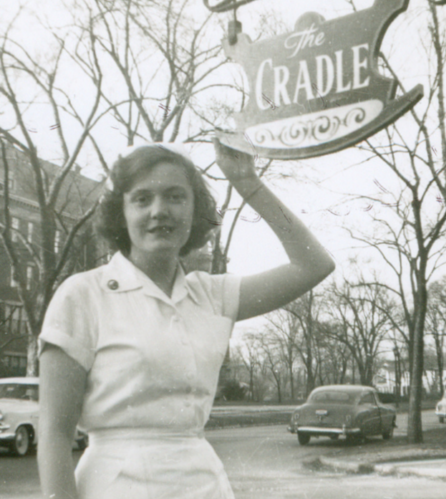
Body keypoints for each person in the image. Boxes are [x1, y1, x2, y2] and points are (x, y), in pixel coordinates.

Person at [36, 141, 335, 499]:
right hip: (114, 485)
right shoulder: (83, 294)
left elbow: (313, 264)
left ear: (195, 212)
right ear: (122, 213)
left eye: (176, 197)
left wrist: (247, 182)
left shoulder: (212, 295)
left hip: (203, 484)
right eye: (142, 199)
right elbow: (54, 433)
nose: (160, 211)